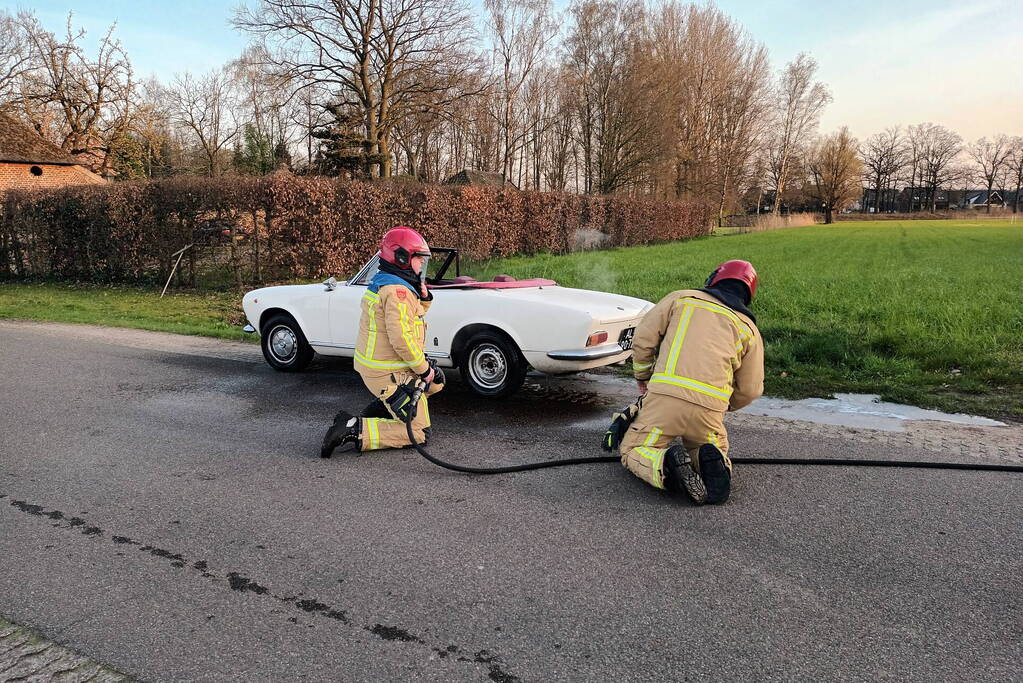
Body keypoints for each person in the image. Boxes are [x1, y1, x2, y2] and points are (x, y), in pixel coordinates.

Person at [602, 260, 764, 504]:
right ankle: (714, 465)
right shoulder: (749, 329)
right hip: (709, 410)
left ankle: (665, 465)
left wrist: (643, 375)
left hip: (666, 401)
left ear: (714, 279)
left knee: (633, 450)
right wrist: (723, 404)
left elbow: (644, 337)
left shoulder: (682, 299)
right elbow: (751, 389)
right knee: (707, 445)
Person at [320, 226, 444, 458]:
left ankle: (386, 408)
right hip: (387, 372)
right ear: (402, 258)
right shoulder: (397, 291)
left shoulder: (387, 283)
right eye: (419, 261)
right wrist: (423, 369)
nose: (422, 267)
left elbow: (411, 318)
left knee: (436, 383)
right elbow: (402, 338)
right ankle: (354, 428)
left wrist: (424, 298)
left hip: (382, 367)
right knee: (419, 431)